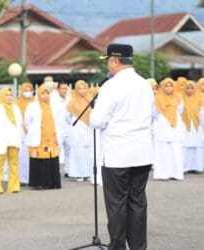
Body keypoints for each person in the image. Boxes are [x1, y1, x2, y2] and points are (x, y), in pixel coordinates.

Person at [90, 43, 154, 250]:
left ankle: (117, 247)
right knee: (137, 202)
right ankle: (138, 247)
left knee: (117, 204)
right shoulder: (145, 84)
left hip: (118, 154)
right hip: (142, 153)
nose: (108, 65)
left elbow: (97, 121)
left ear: (115, 61)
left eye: (108, 61)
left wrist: (94, 110)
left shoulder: (111, 86)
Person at [24, 84, 61, 190]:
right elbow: (26, 122)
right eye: (43, 93)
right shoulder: (32, 106)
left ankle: (52, 183)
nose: (45, 96)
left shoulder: (53, 106)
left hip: (52, 138)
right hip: (39, 138)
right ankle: (39, 183)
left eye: (47, 93)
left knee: (51, 160)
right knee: (39, 160)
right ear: (38, 94)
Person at [0, 88, 22, 194]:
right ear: (2, 96)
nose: (9, 97)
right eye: (6, 95)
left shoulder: (16, 108)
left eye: (11, 95)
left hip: (13, 139)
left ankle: (13, 187)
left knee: (14, 164)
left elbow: (19, 123)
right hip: (1, 140)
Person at [153, 78, 185, 180]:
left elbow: (180, 111)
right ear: (162, 87)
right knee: (163, 150)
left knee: (175, 149)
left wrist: (172, 119)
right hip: (162, 125)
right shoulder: (157, 99)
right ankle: (162, 174)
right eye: (166, 86)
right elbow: (155, 114)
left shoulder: (178, 98)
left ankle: (176, 174)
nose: (168, 88)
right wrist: (165, 118)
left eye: (170, 86)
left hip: (175, 126)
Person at [65, 80, 93, 181]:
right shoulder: (72, 101)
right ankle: (79, 173)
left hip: (89, 128)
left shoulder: (90, 99)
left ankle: (89, 173)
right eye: (80, 88)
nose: (82, 91)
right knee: (78, 151)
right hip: (77, 128)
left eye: (84, 88)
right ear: (76, 90)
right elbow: (67, 117)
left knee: (89, 151)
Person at [181, 80, 203, 174]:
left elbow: (202, 115)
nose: (190, 90)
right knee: (185, 147)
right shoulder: (181, 100)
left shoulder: (199, 100)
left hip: (196, 127)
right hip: (185, 126)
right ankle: (185, 167)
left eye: (192, 88)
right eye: (188, 88)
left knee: (197, 147)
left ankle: (197, 167)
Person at [15, 83, 35, 185]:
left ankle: (33, 177)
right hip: (21, 132)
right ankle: (22, 178)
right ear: (21, 91)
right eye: (25, 90)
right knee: (22, 156)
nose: (28, 92)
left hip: (33, 132)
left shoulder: (35, 102)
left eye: (29, 90)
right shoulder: (16, 103)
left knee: (33, 155)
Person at [51, 81, 71, 177]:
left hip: (68, 129)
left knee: (69, 150)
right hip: (57, 129)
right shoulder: (53, 100)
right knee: (56, 151)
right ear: (58, 89)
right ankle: (56, 171)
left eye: (66, 88)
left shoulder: (69, 99)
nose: (64, 90)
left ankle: (68, 170)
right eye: (62, 88)